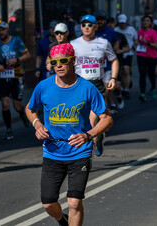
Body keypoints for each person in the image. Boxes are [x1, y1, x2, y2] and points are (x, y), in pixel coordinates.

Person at [25, 43, 113, 226]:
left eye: (63, 61)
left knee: (74, 202)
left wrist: (88, 135)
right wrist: (37, 124)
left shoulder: (87, 88)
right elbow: (30, 109)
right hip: (52, 151)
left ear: (73, 61)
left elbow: (107, 119)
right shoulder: (44, 86)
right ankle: (62, 220)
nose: (58, 65)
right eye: (54, 61)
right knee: (48, 203)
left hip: (79, 151)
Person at [71, 14, 119, 157]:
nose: (87, 27)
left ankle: (88, 155)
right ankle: (98, 137)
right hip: (79, 85)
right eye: (84, 25)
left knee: (93, 120)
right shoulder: (74, 44)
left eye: (90, 25)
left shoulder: (103, 43)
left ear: (96, 27)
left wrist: (113, 78)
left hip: (97, 85)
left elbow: (114, 60)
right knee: (80, 120)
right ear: (80, 27)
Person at [0, 21, 31, 140]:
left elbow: (28, 55)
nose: (1, 32)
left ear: (7, 30)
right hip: (2, 77)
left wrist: (17, 59)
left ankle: (22, 114)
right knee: (5, 104)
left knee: (17, 106)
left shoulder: (16, 41)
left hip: (17, 76)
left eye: (3, 29)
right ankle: (9, 129)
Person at [136, 15, 157, 102]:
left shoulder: (153, 32)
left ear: (150, 23)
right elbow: (138, 42)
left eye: (147, 21)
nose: (145, 22)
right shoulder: (140, 31)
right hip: (141, 55)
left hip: (152, 56)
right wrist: (136, 45)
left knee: (150, 74)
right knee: (142, 74)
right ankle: (142, 93)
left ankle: (153, 88)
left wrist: (148, 43)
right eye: (144, 21)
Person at [115, 14, 138, 99]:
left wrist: (135, 44)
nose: (122, 25)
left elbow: (136, 38)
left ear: (126, 22)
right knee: (121, 71)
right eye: (120, 23)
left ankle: (126, 89)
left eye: (123, 23)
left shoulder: (131, 29)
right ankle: (123, 86)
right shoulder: (116, 30)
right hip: (119, 54)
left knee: (126, 70)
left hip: (129, 52)